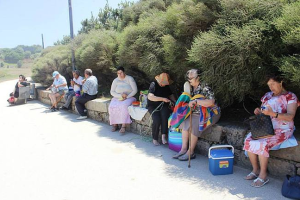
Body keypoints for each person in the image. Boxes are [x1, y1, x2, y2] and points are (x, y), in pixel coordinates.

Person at [243, 75, 298, 188]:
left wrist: (272, 114)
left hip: (283, 129)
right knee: (248, 139)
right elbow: (264, 112)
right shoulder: (267, 96)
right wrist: (258, 111)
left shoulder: (290, 96)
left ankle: (263, 175)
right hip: (266, 127)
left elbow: (290, 117)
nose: (270, 87)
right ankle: (255, 170)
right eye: (269, 85)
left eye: (273, 84)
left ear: (281, 82)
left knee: (262, 143)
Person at [171, 69, 221, 161]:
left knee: (194, 124)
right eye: (188, 77)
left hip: (210, 112)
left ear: (198, 77)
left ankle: (191, 152)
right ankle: (183, 149)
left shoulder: (205, 87)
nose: (189, 79)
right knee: (186, 122)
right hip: (196, 112)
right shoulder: (189, 88)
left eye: (191, 77)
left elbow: (211, 102)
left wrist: (196, 101)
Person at [147, 73, 176, 146]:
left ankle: (163, 135)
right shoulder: (153, 84)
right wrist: (162, 99)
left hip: (164, 105)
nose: (164, 84)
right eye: (162, 83)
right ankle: (155, 138)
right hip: (153, 106)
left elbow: (170, 95)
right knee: (156, 119)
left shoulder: (166, 86)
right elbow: (150, 97)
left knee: (165, 114)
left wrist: (176, 102)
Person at [109, 66, 138, 134]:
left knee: (124, 106)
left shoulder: (130, 79)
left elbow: (135, 90)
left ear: (124, 72)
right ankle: (115, 124)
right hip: (118, 97)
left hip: (129, 97)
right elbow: (112, 91)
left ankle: (123, 125)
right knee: (112, 106)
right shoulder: (115, 80)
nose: (120, 75)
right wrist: (120, 96)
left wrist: (126, 97)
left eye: (121, 73)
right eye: (118, 73)